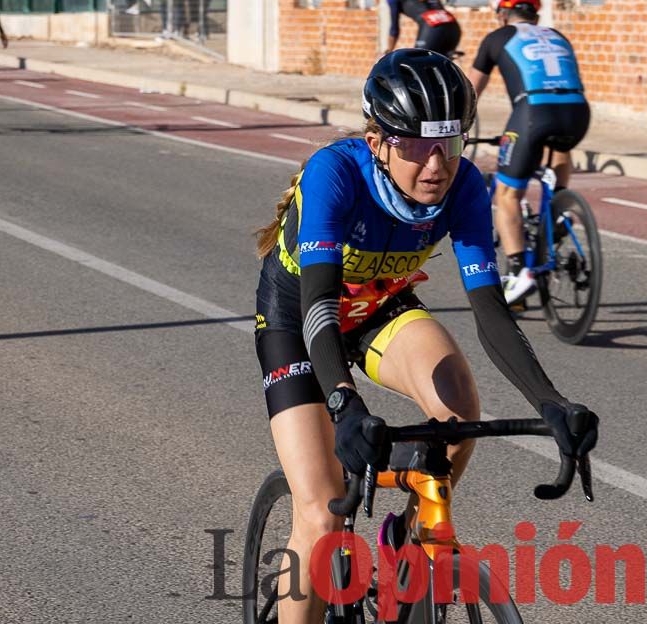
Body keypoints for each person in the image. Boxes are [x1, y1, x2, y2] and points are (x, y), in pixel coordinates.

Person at [253, 48, 599, 622]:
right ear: (377, 142)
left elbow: (490, 310)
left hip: (379, 310)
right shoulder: (334, 174)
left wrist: (551, 401)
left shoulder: (464, 185)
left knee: (459, 409)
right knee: (319, 513)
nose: (436, 163)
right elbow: (318, 306)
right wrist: (343, 403)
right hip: (299, 322)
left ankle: (407, 548)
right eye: (416, 145)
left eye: (451, 142)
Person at [466, 0, 591, 307]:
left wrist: (456, 127)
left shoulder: (497, 38)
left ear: (503, 13)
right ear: (534, 12)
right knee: (559, 148)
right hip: (577, 113)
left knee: (508, 194)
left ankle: (521, 273)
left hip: (533, 113)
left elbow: (468, 93)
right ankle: (558, 212)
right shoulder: (557, 36)